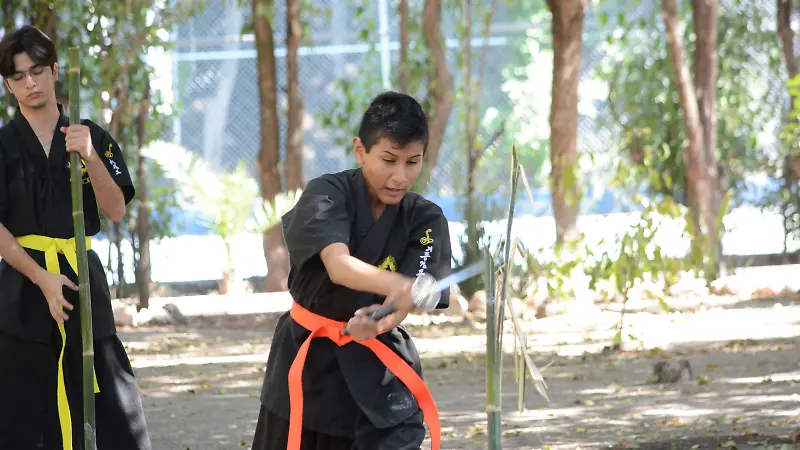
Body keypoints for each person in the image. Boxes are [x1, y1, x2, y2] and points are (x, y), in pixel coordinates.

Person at [252, 91, 452, 450]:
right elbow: (338, 266)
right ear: (360, 150)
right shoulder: (327, 193)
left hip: (378, 364)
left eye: (412, 162)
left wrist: (379, 322)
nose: (399, 176)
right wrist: (402, 284)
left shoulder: (426, 219)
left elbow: (401, 304)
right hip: (308, 362)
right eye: (388, 160)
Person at [0, 25, 151, 450]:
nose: (30, 83)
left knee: (100, 387)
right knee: (23, 401)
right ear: (8, 85)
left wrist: (87, 155)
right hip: (21, 285)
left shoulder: (91, 137)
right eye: (18, 76)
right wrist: (40, 277)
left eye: (37, 71)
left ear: (54, 70)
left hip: (82, 278)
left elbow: (116, 209)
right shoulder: (4, 145)